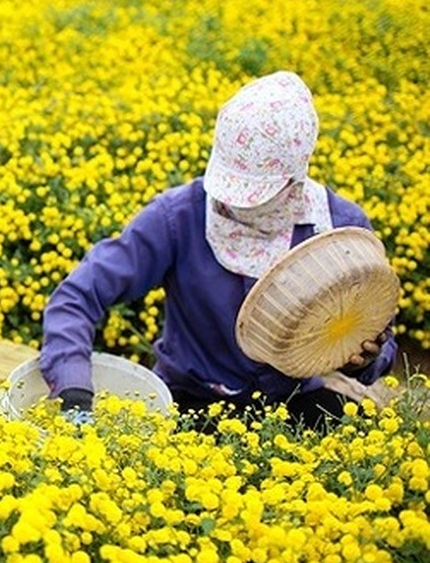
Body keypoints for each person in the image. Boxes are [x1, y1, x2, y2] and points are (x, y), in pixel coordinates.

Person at [39, 70, 396, 430]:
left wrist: (361, 358)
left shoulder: (337, 230)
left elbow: (378, 341)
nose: (236, 206)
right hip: (189, 399)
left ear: (295, 175)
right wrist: (74, 390)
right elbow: (77, 295)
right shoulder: (177, 218)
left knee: (362, 437)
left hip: (289, 402)